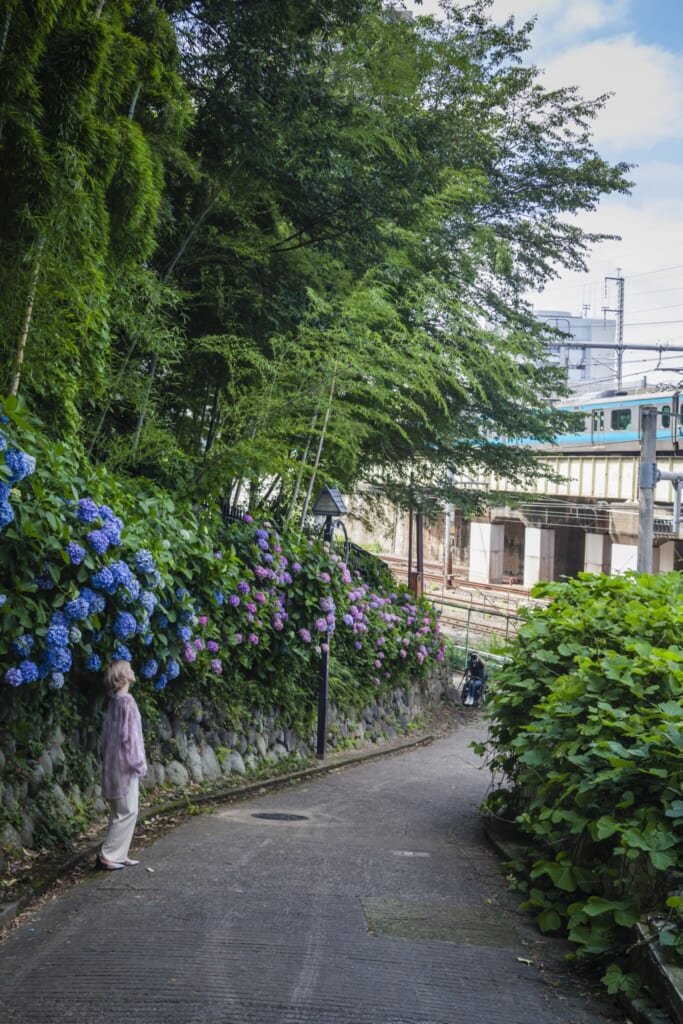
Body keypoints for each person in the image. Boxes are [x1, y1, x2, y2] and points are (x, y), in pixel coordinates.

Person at [96, 659, 147, 871]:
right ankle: (108, 854)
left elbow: (108, 736)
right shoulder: (127, 701)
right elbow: (132, 737)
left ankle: (120, 853)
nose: (132, 670)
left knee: (119, 811)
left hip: (113, 762)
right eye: (128, 669)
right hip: (126, 762)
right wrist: (139, 763)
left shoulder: (115, 701)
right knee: (129, 810)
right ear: (123, 676)